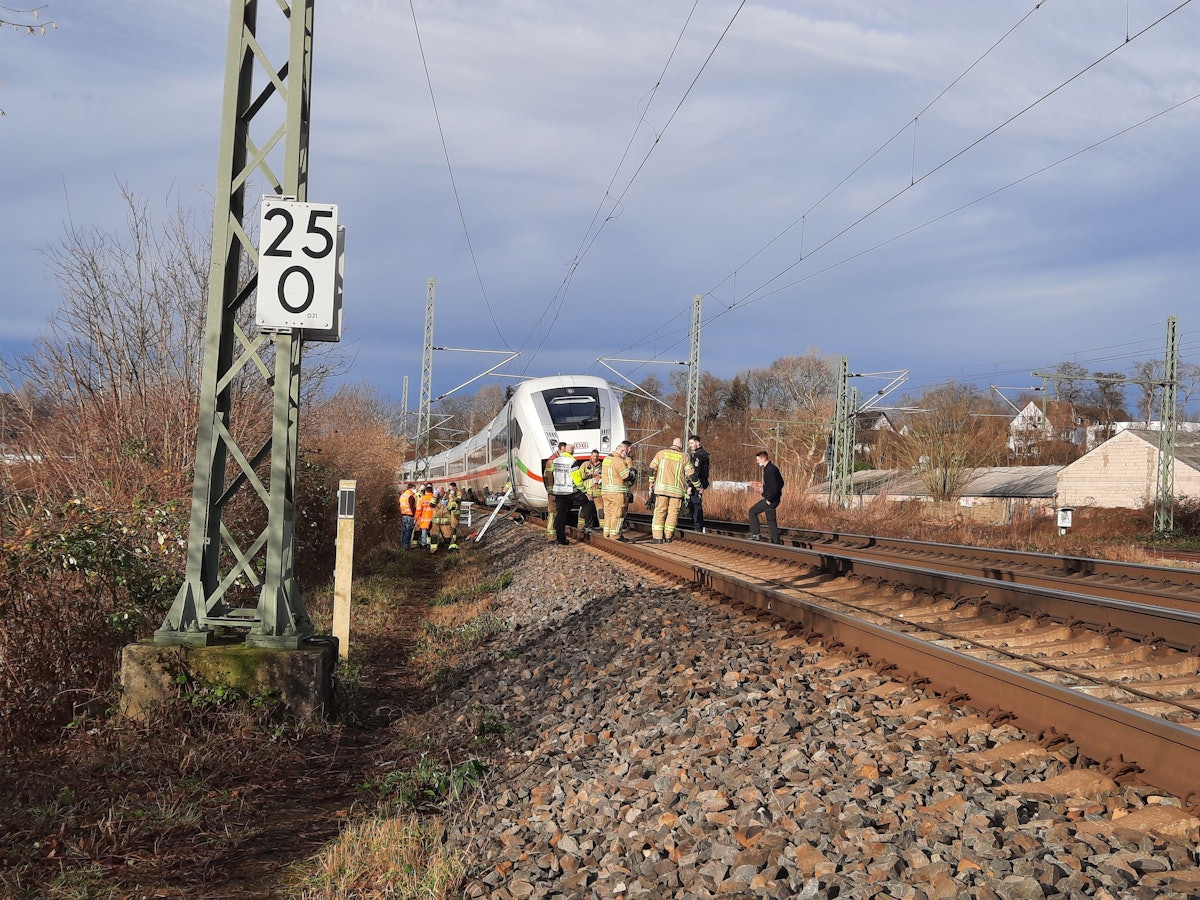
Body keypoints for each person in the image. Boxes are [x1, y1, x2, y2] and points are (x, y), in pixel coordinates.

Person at [647, 437, 700, 543]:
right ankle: (668, 536)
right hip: (676, 492)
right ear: (681, 445)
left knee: (660, 512)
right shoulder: (684, 457)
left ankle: (657, 537)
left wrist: (651, 482)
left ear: (672, 444)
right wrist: (698, 486)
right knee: (673, 513)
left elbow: (651, 469)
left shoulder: (661, 454)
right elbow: (692, 474)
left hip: (662, 490)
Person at [550, 442, 583, 546]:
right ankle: (585, 526)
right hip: (569, 491)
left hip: (558, 491)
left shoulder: (555, 460)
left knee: (560, 514)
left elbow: (551, 473)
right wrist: (584, 491)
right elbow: (577, 479)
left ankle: (561, 538)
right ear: (572, 451)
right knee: (587, 502)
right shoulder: (572, 461)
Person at [748, 450, 784, 544]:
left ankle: (757, 536)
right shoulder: (773, 468)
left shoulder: (769, 471)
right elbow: (781, 483)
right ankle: (776, 542)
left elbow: (774, 486)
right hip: (774, 499)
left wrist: (769, 498)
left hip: (770, 500)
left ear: (764, 459)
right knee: (771, 521)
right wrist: (764, 489)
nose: (757, 462)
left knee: (752, 512)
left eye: (758, 460)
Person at [601, 440, 633, 541]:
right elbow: (626, 476)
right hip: (617, 492)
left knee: (608, 513)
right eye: (626, 453)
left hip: (605, 492)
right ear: (622, 451)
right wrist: (632, 472)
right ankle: (615, 535)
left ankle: (606, 533)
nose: (625, 455)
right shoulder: (619, 461)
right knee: (618, 514)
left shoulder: (606, 459)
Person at [687, 435, 710, 533]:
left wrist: (690, 486)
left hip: (697, 485)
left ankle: (698, 528)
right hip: (700, 484)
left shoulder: (699, 455)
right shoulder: (702, 454)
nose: (690, 446)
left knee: (695, 505)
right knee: (694, 505)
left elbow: (696, 472)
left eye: (691, 443)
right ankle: (697, 526)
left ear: (697, 442)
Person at [544, 442, 566, 541]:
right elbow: (549, 477)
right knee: (553, 513)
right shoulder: (552, 461)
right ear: (559, 450)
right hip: (554, 492)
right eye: (563, 451)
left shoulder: (558, 460)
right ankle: (551, 534)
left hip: (559, 491)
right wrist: (551, 492)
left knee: (558, 513)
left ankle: (556, 533)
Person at [578, 449, 603, 533]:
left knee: (601, 510)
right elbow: (579, 475)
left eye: (596, 456)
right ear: (591, 456)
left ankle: (603, 527)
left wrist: (598, 477)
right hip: (587, 492)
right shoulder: (585, 464)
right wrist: (587, 474)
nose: (595, 458)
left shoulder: (602, 466)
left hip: (598, 492)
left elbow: (604, 477)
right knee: (584, 510)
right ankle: (580, 526)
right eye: (593, 456)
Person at [398, 481, 418, 550]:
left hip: (403, 514)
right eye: (414, 488)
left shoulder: (403, 495)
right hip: (410, 515)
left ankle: (402, 544)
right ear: (412, 488)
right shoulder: (410, 496)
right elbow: (412, 507)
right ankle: (405, 546)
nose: (415, 490)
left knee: (404, 530)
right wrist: (415, 516)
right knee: (408, 531)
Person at [415, 483, 435, 548]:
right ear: (432, 491)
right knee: (433, 532)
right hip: (433, 518)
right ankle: (432, 544)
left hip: (424, 518)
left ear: (426, 491)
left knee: (424, 531)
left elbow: (418, 509)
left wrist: (416, 518)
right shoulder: (434, 498)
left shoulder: (422, 498)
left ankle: (424, 544)